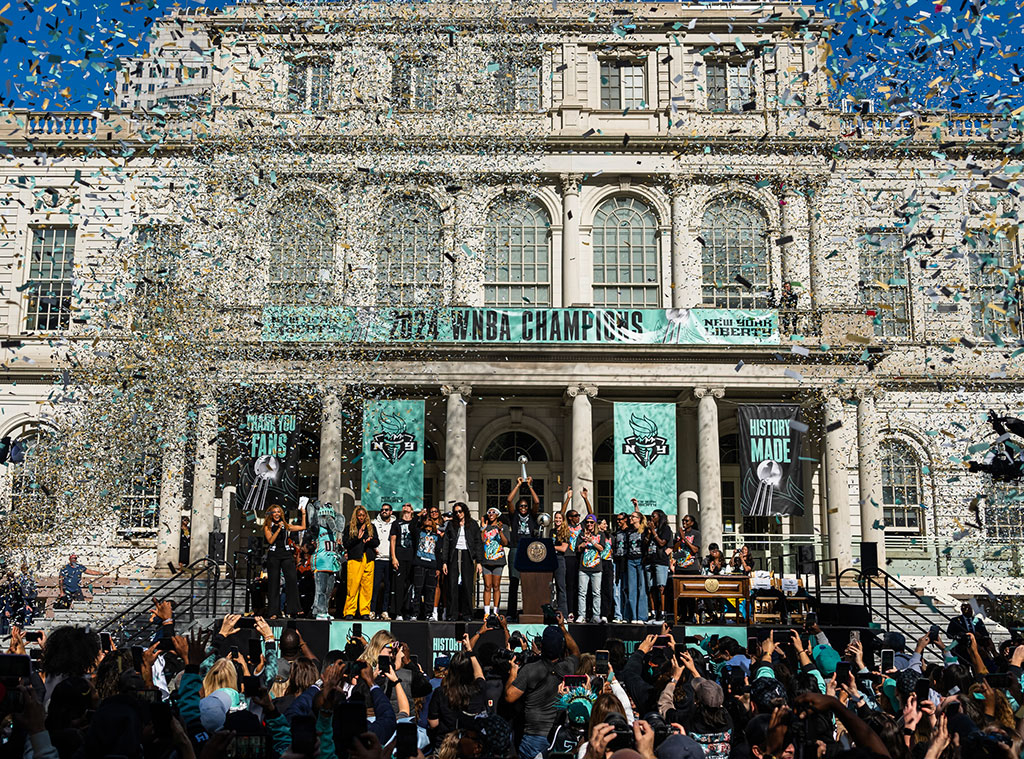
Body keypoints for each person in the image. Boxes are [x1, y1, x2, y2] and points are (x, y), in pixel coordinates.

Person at [504, 615, 581, 759]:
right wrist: (562, 627)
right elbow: (576, 652)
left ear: (542, 645)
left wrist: (513, 672)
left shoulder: (529, 669)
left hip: (533, 738)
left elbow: (509, 696)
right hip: (558, 736)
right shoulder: (568, 667)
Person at [262, 501, 307, 619]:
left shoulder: (286, 526)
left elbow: (303, 527)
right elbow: (270, 540)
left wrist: (303, 513)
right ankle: (273, 612)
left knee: (292, 580)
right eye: (275, 512)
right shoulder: (268, 526)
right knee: (274, 583)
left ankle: (294, 609)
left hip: (286, 554)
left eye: (279, 512)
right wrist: (278, 529)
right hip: (274, 554)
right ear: (271, 514)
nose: (277, 514)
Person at [505, 476, 541, 620]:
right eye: (521, 506)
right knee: (514, 581)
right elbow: (508, 501)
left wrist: (530, 486)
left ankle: (528, 610)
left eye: (526, 506)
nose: (524, 508)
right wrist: (518, 485)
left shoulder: (532, 516)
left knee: (529, 582)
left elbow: (537, 502)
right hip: (515, 548)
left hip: (529, 549)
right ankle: (510, 613)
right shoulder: (514, 516)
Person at [441, 502, 483, 622]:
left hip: (467, 555)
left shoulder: (473, 524)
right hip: (454, 555)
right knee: (452, 586)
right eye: (456, 512)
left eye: (460, 511)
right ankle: (452, 614)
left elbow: (478, 543)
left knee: (467, 586)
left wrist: (479, 561)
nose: (458, 514)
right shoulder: (451, 525)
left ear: (465, 511)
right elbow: (446, 543)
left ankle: (467, 614)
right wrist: (444, 561)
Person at [343, 505, 379, 619]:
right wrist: (357, 538)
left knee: (367, 587)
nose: (361, 517)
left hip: (368, 558)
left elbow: (377, 542)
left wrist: (370, 540)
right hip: (355, 558)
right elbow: (346, 544)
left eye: (363, 515)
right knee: (353, 586)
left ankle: (364, 612)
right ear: (356, 516)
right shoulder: (350, 528)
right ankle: (349, 611)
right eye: (359, 515)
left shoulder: (371, 527)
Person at [310, 500, 343, 620]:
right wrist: (314, 510)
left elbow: (340, 524)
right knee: (321, 589)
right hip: (321, 562)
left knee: (329, 590)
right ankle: (320, 610)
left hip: (331, 563)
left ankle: (320, 610)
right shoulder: (319, 529)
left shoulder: (333, 532)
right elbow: (312, 524)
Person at [560, 487, 586, 620]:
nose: (578, 517)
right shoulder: (567, 526)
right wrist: (568, 498)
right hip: (569, 557)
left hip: (580, 557)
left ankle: (579, 611)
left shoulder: (581, 527)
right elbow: (561, 514)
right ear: (570, 518)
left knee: (579, 586)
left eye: (578, 516)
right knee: (569, 585)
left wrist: (586, 499)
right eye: (575, 516)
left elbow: (591, 515)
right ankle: (570, 611)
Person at [644, 507, 673, 622]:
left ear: (659, 517)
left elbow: (662, 543)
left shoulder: (665, 529)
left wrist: (654, 532)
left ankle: (662, 613)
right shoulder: (650, 529)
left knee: (661, 587)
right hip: (649, 560)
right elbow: (645, 544)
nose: (651, 518)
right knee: (651, 588)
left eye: (653, 516)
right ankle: (653, 612)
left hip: (660, 561)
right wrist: (649, 533)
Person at [390, 503, 418, 620]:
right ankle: (399, 612)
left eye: (408, 506)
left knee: (411, 585)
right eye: (404, 506)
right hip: (400, 556)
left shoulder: (415, 523)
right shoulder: (396, 523)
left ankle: (410, 611)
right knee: (399, 585)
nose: (405, 507)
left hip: (413, 557)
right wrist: (394, 557)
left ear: (412, 510)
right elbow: (393, 540)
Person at [480, 507, 510, 618]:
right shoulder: (485, 527)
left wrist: (500, 531)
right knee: (487, 586)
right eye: (489, 512)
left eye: (493, 512)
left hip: (498, 560)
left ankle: (496, 611)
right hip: (486, 560)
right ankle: (486, 612)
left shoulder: (503, 527)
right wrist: (483, 530)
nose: (491, 514)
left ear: (498, 514)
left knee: (496, 586)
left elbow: (505, 542)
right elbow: (481, 541)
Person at [576, 513, 605, 624]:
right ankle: (581, 615)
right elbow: (578, 549)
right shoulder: (581, 534)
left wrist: (592, 541)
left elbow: (602, 548)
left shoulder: (600, 535)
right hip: (584, 567)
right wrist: (583, 543)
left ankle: (596, 615)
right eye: (587, 522)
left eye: (591, 522)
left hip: (597, 567)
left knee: (596, 593)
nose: (589, 524)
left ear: (595, 524)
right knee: (582, 592)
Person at [413, 512, 442, 620]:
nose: (428, 521)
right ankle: (415, 613)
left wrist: (438, 568)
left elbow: (439, 553)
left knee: (430, 591)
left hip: (432, 565)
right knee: (418, 590)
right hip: (419, 564)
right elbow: (412, 526)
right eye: (426, 519)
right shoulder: (419, 532)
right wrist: (419, 515)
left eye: (430, 519)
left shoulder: (437, 536)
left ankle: (428, 614)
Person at [371, 503, 395, 620]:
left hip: (390, 560)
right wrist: (374, 549)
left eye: (386, 510)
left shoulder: (395, 524)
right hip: (378, 559)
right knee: (374, 586)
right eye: (382, 510)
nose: (384, 511)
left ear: (391, 512)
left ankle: (385, 610)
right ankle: (372, 610)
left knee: (388, 587)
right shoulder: (374, 523)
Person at [622, 511, 647, 623]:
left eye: (633, 517)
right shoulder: (629, 531)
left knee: (642, 588)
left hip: (641, 560)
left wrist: (636, 507)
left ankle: (642, 617)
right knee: (632, 589)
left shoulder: (643, 530)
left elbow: (644, 517)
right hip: (630, 561)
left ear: (639, 519)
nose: (630, 518)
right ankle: (633, 616)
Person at [552, 495, 571, 617]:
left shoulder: (565, 532)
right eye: (556, 518)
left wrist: (550, 547)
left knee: (560, 586)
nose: (558, 520)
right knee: (549, 587)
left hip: (560, 559)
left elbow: (563, 548)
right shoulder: (551, 531)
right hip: (551, 560)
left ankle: (563, 612)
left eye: (560, 518)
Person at [597, 517, 616, 623]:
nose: (606, 526)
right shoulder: (596, 535)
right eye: (604, 523)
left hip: (608, 562)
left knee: (607, 588)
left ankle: (606, 613)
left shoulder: (610, 537)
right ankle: (595, 613)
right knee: (596, 589)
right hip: (598, 562)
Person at [611, 513, 629, 623]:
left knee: (626, 590)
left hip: (627, 563)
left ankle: (626, 615)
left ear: (625, 519)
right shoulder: (616, 533)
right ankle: (618, 615)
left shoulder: (630, 531)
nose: (618, 522)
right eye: (617, 520)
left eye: (620, 520)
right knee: (616, 590)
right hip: (617, 563)